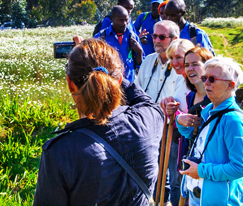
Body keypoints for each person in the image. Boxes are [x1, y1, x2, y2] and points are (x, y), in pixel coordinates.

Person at [33, 38, 163, 206]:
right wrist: (106, 72)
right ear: (118, 81)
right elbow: (141, 98)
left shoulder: (61, 152)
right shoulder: (149, 120)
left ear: (70, 84)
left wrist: (88, 66)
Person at [178, 57, 243, 206]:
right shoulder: (209, 111)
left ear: (230, 85)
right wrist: (181, 123)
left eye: (212, 79)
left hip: (220, 200)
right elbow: (196, 141)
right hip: (199, 196)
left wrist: (201, 171)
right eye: (204, 78)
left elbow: (240, 167)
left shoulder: (233, 120)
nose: (206, 83)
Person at [157, 38, 195, 206]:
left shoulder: (196, 81)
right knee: (174, 181)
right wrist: (168, 102)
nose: (174, 62)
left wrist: (177, 113)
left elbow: (193, 113)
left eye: (179, 57)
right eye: (171, 58)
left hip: (187, 141)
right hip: (176, 137)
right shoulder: (180, 78)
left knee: (181, 183)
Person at [175, 47, 213, 170]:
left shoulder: (217, 98)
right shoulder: (190, 96)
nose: (190, 69)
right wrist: (179, 120)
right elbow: (190, 133)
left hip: (210, 164)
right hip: (192, 161)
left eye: (195, 64)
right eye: (186, 65)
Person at [136, 20, 183, 104]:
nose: (157, 40)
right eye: (154, 36)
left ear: (175, 39)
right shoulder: (148, 60)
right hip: (146, 114)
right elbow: (136, 90)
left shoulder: (181, 65)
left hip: (169, 116)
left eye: (162, 37)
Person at [93, 5, 143, 82]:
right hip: (109, 83)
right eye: (121, 20)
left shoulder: (132, 36)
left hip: (129, 83)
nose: (124, 23)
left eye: (126, 20)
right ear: (112, 19)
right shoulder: (101, 37)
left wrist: (139, 52)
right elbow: (93, 62)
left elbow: (139, 64)